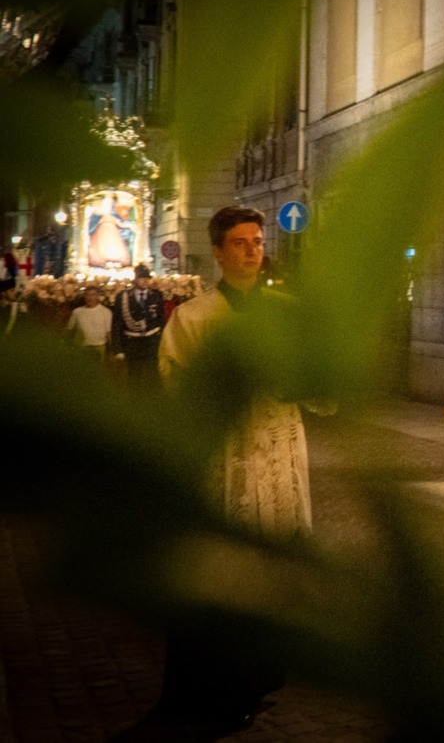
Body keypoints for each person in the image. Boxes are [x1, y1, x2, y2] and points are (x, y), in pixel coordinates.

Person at [149, 206, 313, 731]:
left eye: (257, 241)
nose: (250, 250)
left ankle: (258, 678)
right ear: (218, 252)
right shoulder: (193, 317)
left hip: (280, 451)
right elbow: (176, 386)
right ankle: (211, 688)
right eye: (239, 242)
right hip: (228, 460)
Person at [112, 263, 166, 388]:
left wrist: (163, 342)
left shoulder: (156, 295)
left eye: (147, 278)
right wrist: (118, 349)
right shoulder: (123, 297)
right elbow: (117, 324)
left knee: (153, 376)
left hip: (152, 342)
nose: (145, 281)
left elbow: (161, 320)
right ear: (135, 279)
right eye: (142, 278)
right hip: (132, 343)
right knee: (134, 377)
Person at [65, 284, 113, 360]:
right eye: (87, 295)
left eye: (93, 295)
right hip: (81, 348)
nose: (90, 298)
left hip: (99, 348)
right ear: (84, 296)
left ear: (97, 296)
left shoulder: (106, 312)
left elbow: (108, 333)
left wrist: (111, 351)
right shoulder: (77, 312)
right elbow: (69, 330)